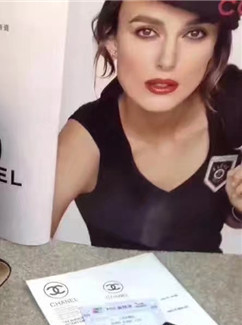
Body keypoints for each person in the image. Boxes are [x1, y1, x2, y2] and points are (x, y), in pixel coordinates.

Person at [51, 0, 242, 251]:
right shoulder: (84, 139)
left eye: (194, 33)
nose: (167, 60)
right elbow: (19, 248)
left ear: (215, 47)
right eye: (146, 32)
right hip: (116, 278)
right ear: (112, 41)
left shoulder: (231, 100)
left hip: (210, 276)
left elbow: (224, 217)